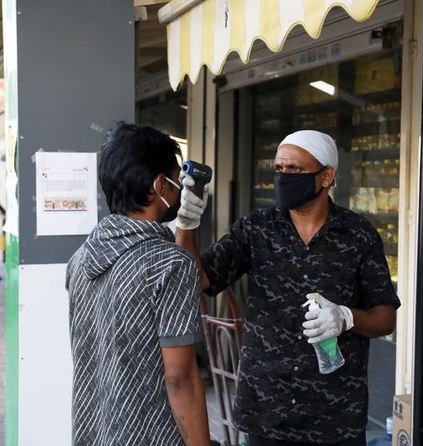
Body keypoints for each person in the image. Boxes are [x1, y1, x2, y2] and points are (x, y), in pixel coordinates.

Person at [176, 129, 401, 445]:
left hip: (335, 417)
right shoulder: (256, 229)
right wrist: (186, 227)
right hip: (267, 414)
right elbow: (197, 279)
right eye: (279, 169)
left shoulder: (358, 235)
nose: (283, 177)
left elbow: (385, 318)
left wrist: (347, 317)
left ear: (326, 176)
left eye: (294, 169)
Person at [66, 122, 211, 446]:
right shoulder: (169, 264)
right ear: (162, 184)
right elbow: (180, 379)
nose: (180, 187)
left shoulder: (79, 259)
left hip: (93, 433)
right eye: (177, 178)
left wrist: (184, 229)